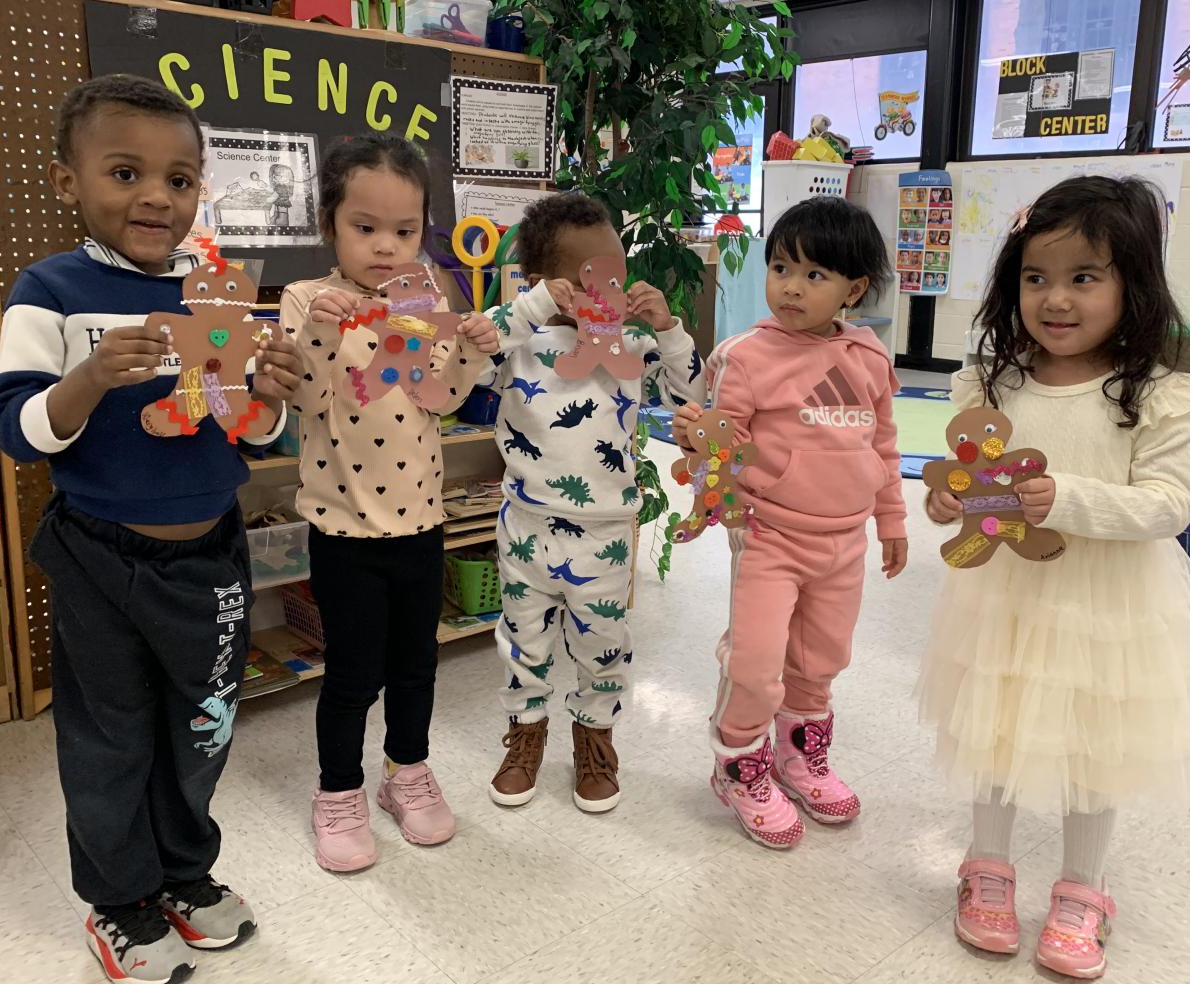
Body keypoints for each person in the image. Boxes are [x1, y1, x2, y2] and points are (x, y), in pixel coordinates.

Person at [0, 74, 302, 983]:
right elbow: (15, 429)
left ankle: (183, 874)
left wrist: (271, 395)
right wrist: (87, 380)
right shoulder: (49, 290)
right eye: (125, 173)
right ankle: (119, 899)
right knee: (109, 737)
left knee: (203, 725)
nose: (157, 196)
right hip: (101, 557)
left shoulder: (218, 293)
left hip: (213, 553)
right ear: (68, 182)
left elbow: (253, 429)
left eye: (180, 178)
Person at [918, 176, 1190, 980]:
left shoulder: (1157, 393)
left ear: (1132, 284)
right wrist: (950, 500)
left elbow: (1171, 504)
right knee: (994, 728)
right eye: (1035, 277)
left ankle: (1084, 887)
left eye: (1084, 277)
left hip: (1106, 605)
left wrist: (1071, 499)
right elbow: (977, 484)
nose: (1055, 299)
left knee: (1093, 748)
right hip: (1004, 596)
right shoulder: (994, 381)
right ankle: (986, 865)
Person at [279, 135, 499, 872]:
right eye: (365, 227)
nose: (385, 246)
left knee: (416, 665)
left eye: (404, 231)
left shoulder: (422, 297)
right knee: (351, 674)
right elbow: (304, 399)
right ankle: (337, 790)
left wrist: (471, 346)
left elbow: (440, 397)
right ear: (329, 224)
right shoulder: (305, 299)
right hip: (343, 530)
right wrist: (322, 327)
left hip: (421, 524)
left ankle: (406, 771)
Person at [672, 195, 907, 849]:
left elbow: (883, 445)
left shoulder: (869, 358)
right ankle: (738, 767)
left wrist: (891, 520)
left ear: (853, 289)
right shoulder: (746, 356)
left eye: (814, 274)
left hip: (844, 541)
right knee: (754, 663)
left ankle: (799, 757)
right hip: (770, 536)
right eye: (780, 268)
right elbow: (724, 446)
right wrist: (699, 446)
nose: (791, 287)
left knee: (821, 659)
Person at [483, 193, 704, 812]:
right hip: (527, 524)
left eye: (617, 275)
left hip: (605, 529)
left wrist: (668, 328)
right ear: (547, 282)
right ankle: (525, 736)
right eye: (590, 279)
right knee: (522, 641)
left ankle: (595, 741)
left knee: (603, 642)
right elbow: (463, 367)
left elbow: (691, 393)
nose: (610, 290)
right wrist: (530, 306)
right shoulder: (517, 340)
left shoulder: (631, 344)